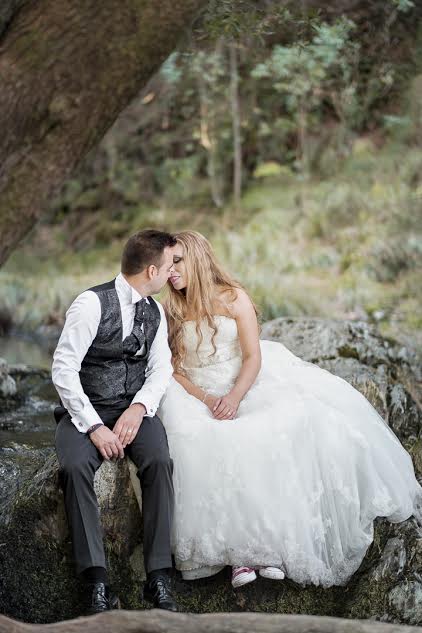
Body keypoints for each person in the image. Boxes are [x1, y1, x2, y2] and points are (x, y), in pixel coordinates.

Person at [158, 230, 422, 589]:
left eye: (178, 262)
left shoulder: (234, 298)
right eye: (166, 264)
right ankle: (239, 556)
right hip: (196, 393)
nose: (170, 271)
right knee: (200, 440)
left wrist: (234, 397)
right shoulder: (170, 309)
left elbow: (252, 357)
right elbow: (173, 371)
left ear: (199, 259)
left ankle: (266, 549)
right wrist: (206, 399)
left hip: (243, 383)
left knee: (276, 427)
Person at [52, 229, 179, 614]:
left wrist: (139, 408)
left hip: (132, 408)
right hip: (85, 411)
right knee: (74, 468)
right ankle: (96, 582)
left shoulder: (155, 310)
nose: (174, 272)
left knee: (159, 461)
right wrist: (93, 426)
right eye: (172, 264)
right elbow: (63, 368)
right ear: (152, 269)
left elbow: (161, 369)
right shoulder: (90, 304)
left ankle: (158, 577)